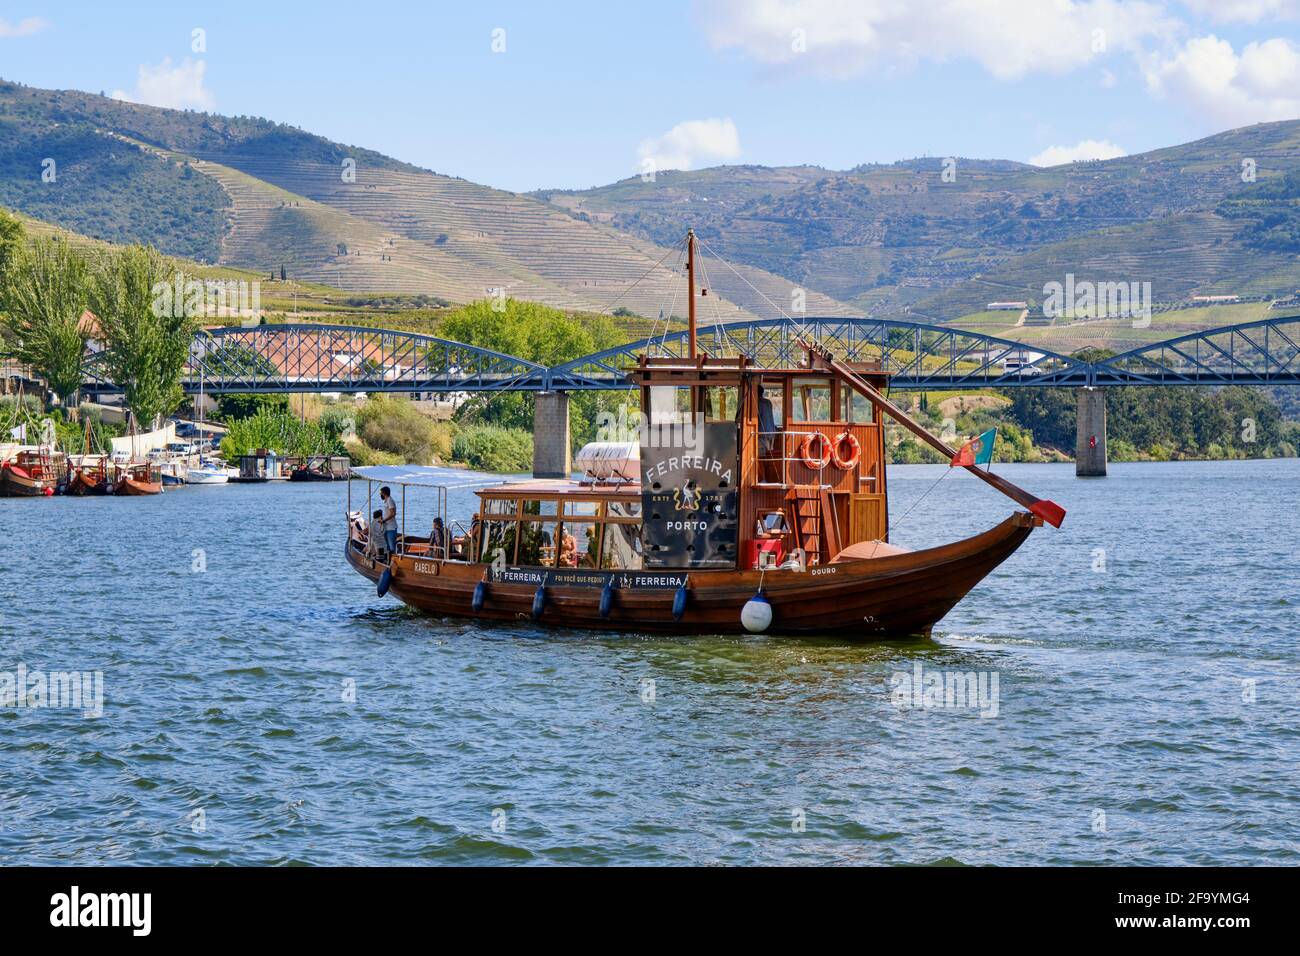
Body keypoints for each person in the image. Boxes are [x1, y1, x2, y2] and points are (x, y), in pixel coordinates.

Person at [379, 486, 398, 556]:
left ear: (384, 493)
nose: (380, 494)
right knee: (387, 546)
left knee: (392, 547)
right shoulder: (386, 501)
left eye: (381, 493)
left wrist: (384, 520)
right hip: (386, 527)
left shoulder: (390, 500)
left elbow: (393, 513)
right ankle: (388, 560)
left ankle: (394, 560)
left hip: (391, 527)